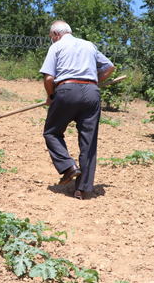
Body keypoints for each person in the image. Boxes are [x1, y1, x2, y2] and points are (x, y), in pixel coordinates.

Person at [40, 20, 115, 200]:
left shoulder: (56, 47)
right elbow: (110, 67)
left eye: (52, 37)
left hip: (66, 90)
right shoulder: (88, 45)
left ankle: (68, 167)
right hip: (91, 93)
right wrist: (92, 81)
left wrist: (51, 97)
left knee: (51, 132)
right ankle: (81, 189)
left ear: (56, 35)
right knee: (88, 142)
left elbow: (49, 78)